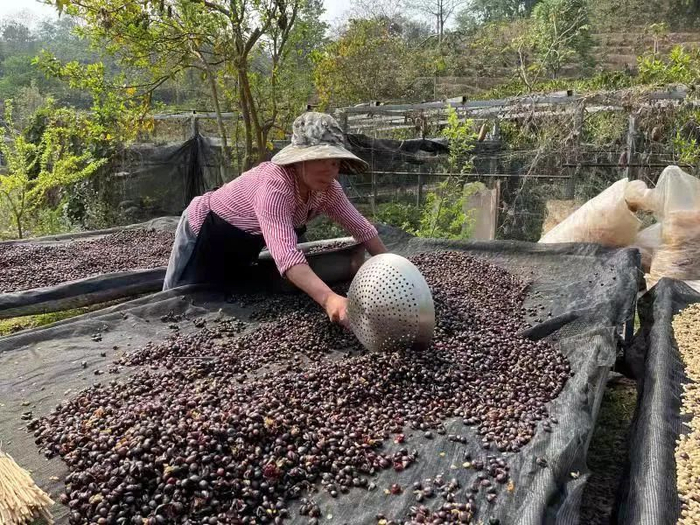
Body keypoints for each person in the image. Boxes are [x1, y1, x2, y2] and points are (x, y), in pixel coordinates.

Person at [163, 111, 388, 326]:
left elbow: (362, 229)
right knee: (179, 303)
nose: (330, 170)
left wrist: (391, 268)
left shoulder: (329, 190)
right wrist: (330, 299)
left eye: (335, 162)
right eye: (322, 159)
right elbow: (286, 255)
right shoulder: (276, 187)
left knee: (223, 298)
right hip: (207, 229)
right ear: (300, 159)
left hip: (244, 240)